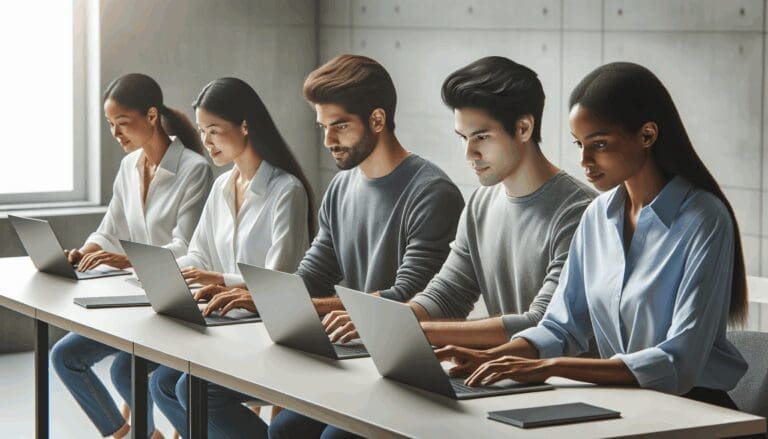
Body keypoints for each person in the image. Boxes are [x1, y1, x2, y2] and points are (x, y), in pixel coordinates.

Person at [436, 62, 748, 409]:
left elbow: (679, 360)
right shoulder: (598, 215)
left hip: (698, 412)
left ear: (647, 135)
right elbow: (559, 328)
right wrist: (490, 356)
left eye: (598, 144)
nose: (584, 160)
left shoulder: (703, 219)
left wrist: (548, 367)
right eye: (579, 144)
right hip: (625, 404)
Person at [204, 55, 465, 439]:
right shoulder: (341, 188)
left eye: (339, 126)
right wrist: (257, 295)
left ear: (377, 120)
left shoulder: (431, 193)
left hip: (403, 369)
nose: (328, 141)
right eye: (323, 127)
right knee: (208, 394)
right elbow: (313, 276)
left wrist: (290, 305)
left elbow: (406, 299)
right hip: (349, 353)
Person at [324, 56, 596, 348]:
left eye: (481, 137)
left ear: (523, 128)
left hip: (570, 386)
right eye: (463, 137)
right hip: (505, 376)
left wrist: (408, 331)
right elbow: (448, 294)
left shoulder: (580, 213)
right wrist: (386, 319)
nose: (469, 153)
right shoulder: (481, 203)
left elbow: (541, 323)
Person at [146, 77, 315, 439]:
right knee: (161, 382)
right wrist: (165, 272)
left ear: (244, 126)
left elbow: (278, 279)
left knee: (184, 389)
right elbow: (200, 253)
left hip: (262, 332)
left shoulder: (286, 191)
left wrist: (220, 281)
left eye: (214, 131)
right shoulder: (223, 185)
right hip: (223, 325)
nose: (205, 142)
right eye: (201, 131)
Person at [51, 73, 212, 439]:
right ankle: (129, 433)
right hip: (131, 300)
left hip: (171, 303)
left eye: (123, 123)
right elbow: (110, 231)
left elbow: (187, 247)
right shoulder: (129, 167)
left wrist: (127, 261)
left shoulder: (194, 170)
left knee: (124, 370)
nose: (115, 133)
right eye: (111, 124)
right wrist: (82, 253)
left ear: (152, 116)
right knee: (64, 356)